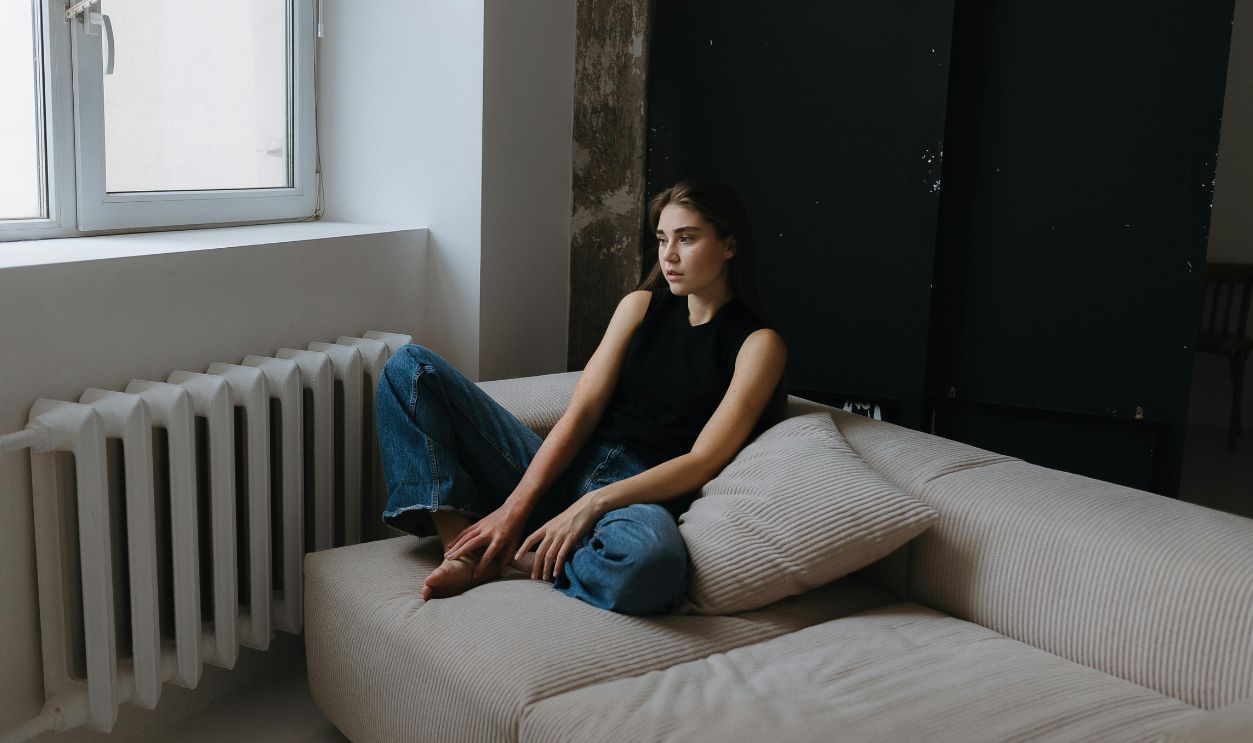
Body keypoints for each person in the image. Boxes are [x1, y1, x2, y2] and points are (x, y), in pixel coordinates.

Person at [374, 179, 787, 615]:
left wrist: (594, 503)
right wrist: (516, 507)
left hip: (634, 500)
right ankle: (463, 548)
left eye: (687, 239)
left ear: (729, 246)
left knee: (653, 568)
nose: (668, 255)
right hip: (568, 469)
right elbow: (581, 413)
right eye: (663, 239)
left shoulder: (759, 344)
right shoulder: (640, 306)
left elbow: (703, 460)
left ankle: (514, 559)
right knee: (409, 367)